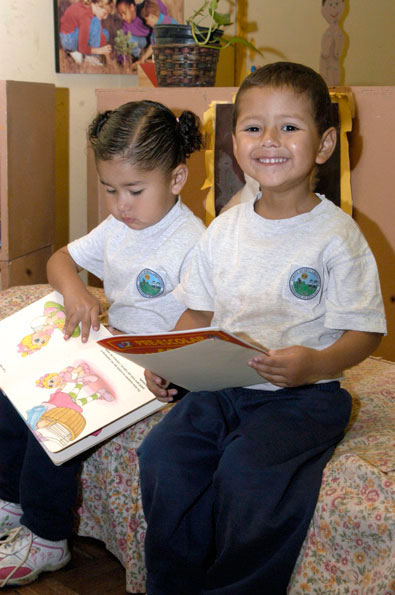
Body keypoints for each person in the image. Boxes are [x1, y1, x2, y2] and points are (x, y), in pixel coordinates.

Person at [138, 62, 387, 594]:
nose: (269, 140)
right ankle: (171, 584)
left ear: (322, 145)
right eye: (253, 127)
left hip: (303, 398)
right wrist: (171, 363)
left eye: (289, 127)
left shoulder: (337, 237)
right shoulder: (224, 229)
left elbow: (365, 331)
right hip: (222, 389)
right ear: (234, 142)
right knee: (163, 455)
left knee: (249, 475)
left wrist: (315, 364)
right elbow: (198, 315)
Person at [0, 99, 205, 587]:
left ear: (176, 179)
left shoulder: (194, 240)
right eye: (109, 190)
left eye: (134, 190)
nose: (120, 205)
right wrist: (74, 290)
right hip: (116, 351)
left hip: (162, 370)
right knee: (14, 388)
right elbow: (60, 259)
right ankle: (9, 502)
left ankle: (48, 538)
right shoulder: (118, 226)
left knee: (57, 415)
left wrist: (169, 362)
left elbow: (204, 316)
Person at [59, 0, 113, 66]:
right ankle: (91, 58)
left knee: (105, 33)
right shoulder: (85, 15)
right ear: (97, 5)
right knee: (96, 23)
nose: (105, 17)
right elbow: (82, 47)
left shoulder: (89, 8)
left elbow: (101, 34)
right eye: (105, 13)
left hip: (70, 36)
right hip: (68, 40)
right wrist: (100, 50)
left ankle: (76, 55)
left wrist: (107, 56)